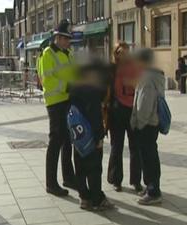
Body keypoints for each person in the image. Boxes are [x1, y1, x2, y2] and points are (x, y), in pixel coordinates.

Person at [70, 59, 114, 211]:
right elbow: (95, 116)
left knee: (80, 166)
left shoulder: (74, 88)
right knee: (94, 167)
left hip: (77, 133)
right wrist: (99, 136)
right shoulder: (93, 90)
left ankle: (84, 198)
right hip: (91, 134)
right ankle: (97, 199)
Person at [39, 19, 77, 197]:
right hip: (55, 103)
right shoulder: (48, 53)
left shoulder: (68, 53)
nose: (69, 42)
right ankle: (51, 183)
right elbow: (48, 79)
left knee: (68, 140)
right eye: (67, 39)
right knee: (55, 141)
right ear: (59, 38)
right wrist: (67, 87)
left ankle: (68, 177)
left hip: (68, 100)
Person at [107, 42, 143, 193]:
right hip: (116, 110)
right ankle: (116, 179)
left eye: (126, 52)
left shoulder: (134, 67)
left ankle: (136, 181)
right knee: (117, 146)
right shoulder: (111, 69)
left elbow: (140, 86)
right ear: (115, 53)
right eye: (120, 52)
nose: (124, 55)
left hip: (132, 109)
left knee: (135, 146)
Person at [131, 48, 165, 205]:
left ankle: (153, 191)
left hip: (146, 124)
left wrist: (139, 123)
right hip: (153, 122)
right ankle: (151, 186)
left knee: (149, 157)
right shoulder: (156, 75)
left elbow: (144, 104)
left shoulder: (146, 78)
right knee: (150, 155)